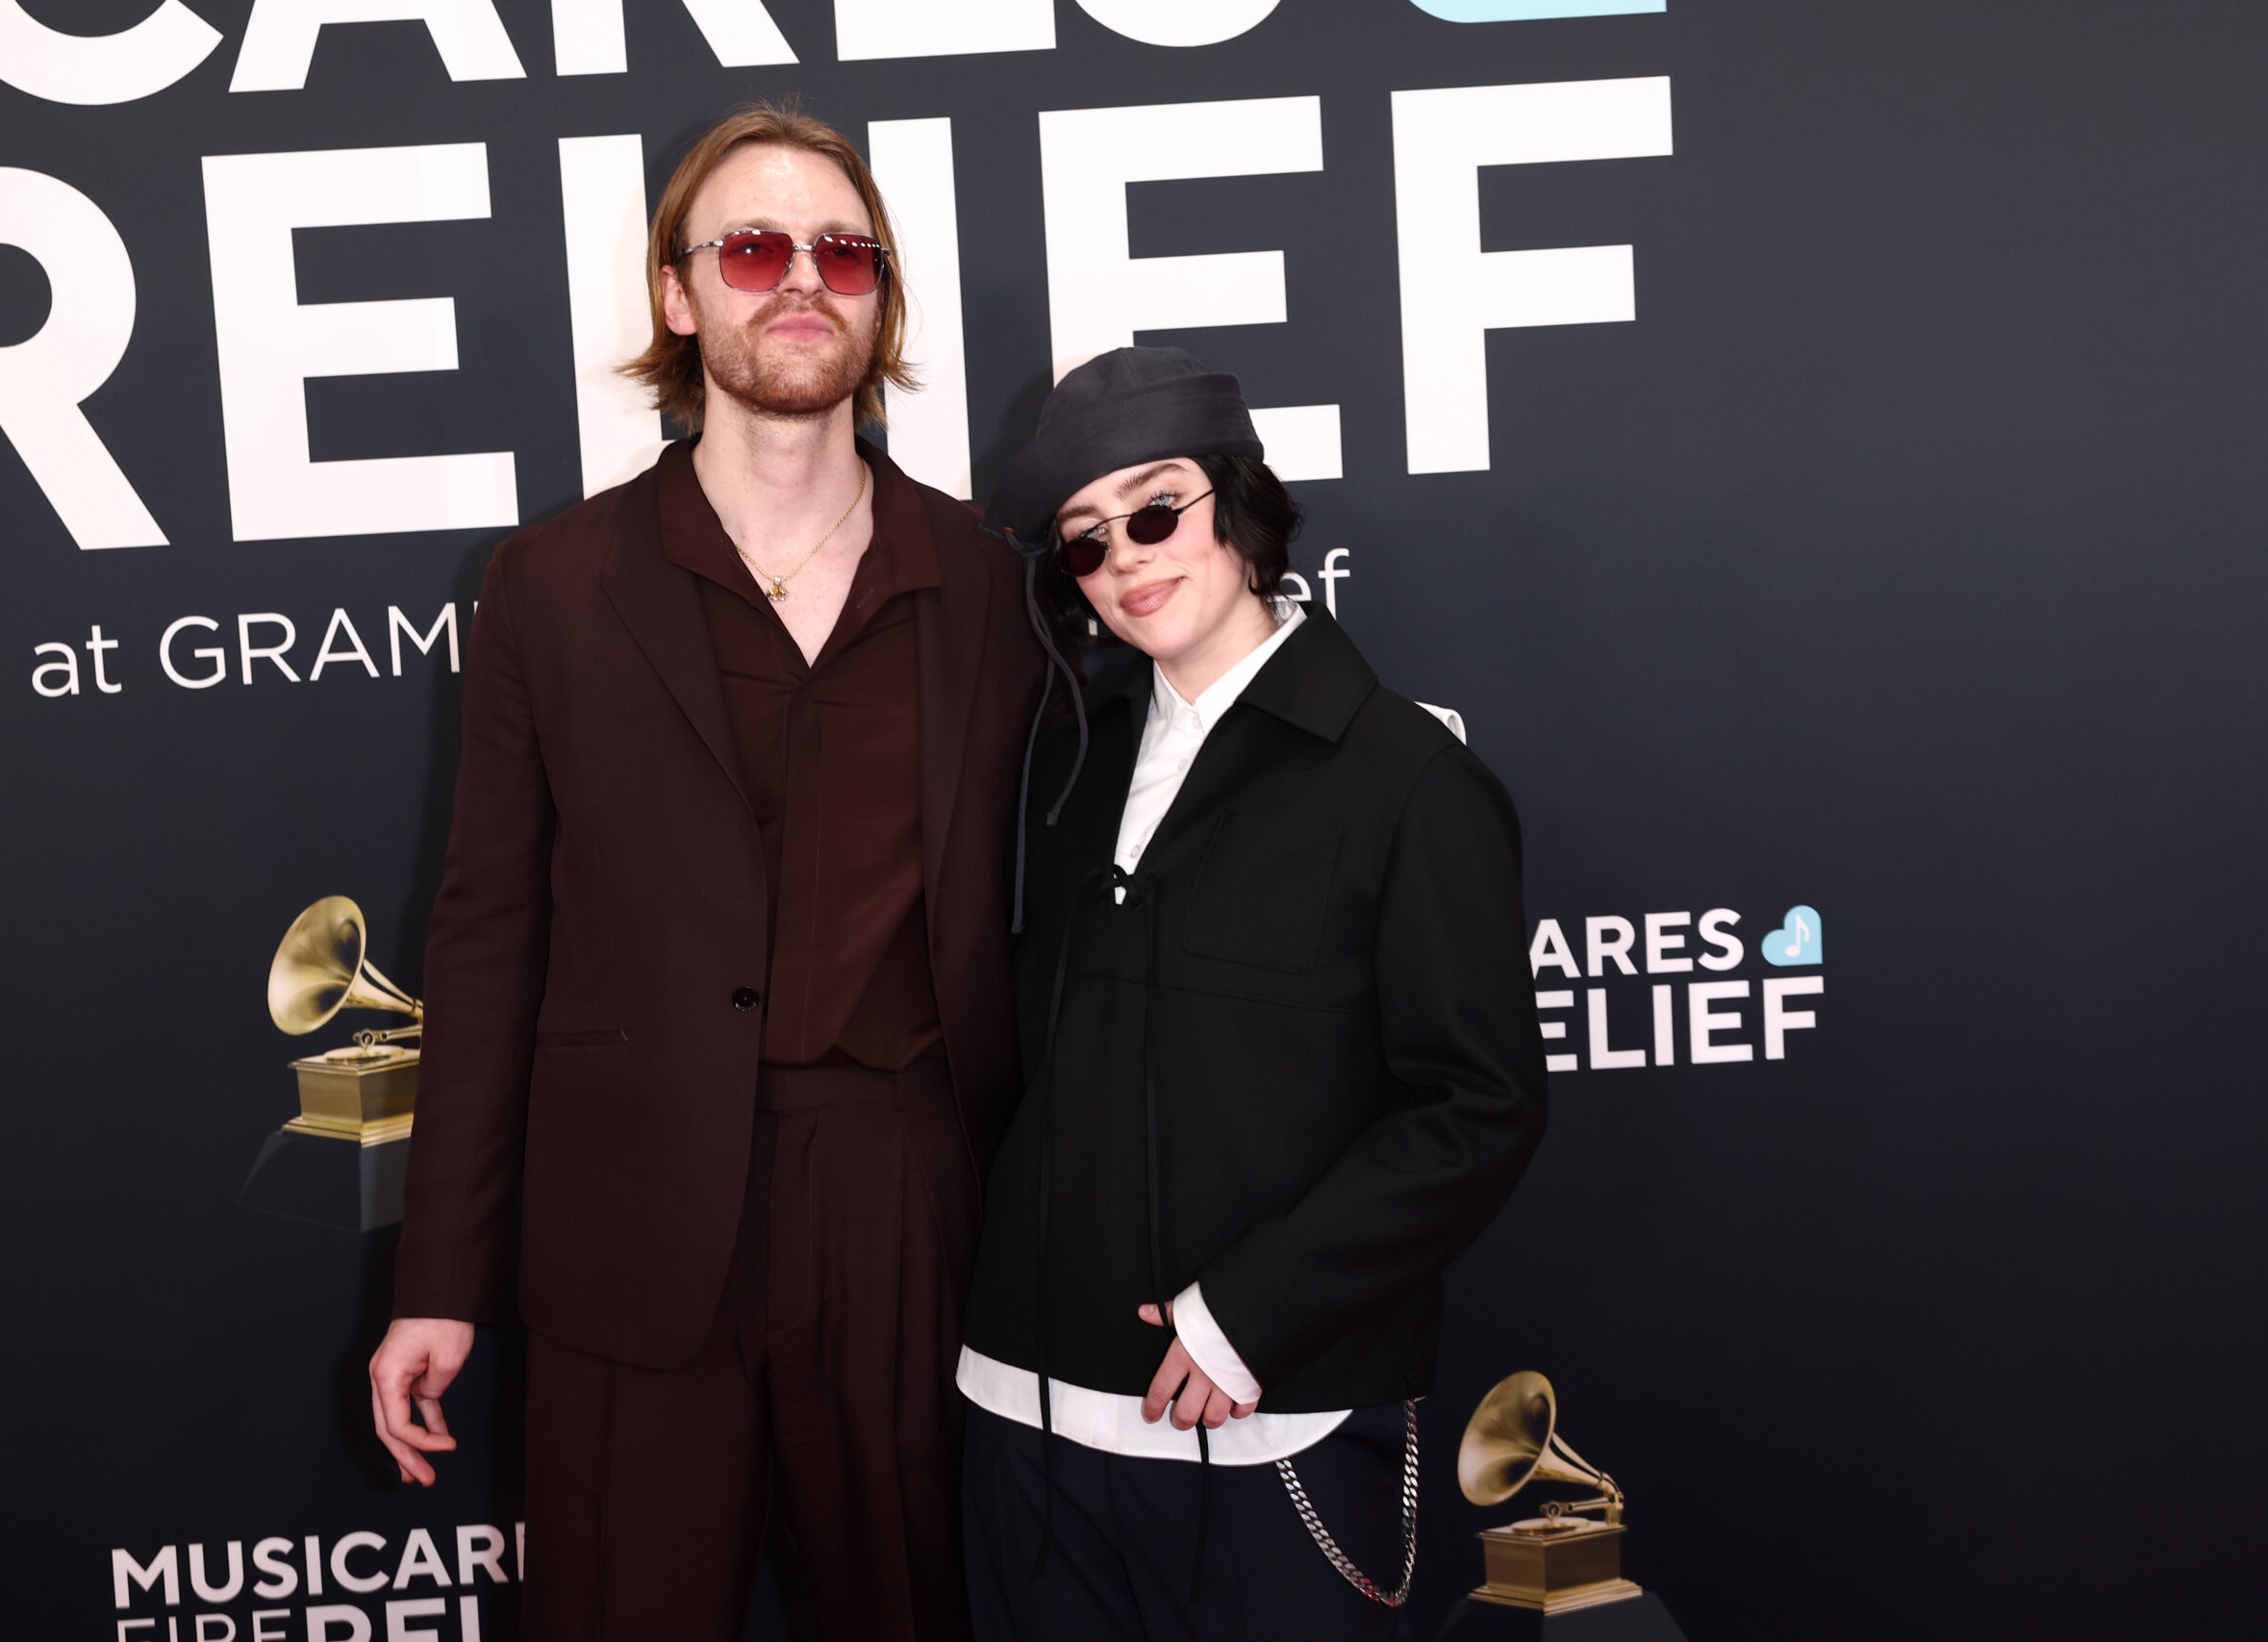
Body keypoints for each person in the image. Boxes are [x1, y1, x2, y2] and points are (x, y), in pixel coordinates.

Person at [365, 103, 1045, 1642]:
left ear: (879, 300)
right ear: (679, 295)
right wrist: (441, 1276)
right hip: (629, 1213)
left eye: (844, 252)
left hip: (908, 1210)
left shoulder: (991, 585)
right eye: (752, 246)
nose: (801, 280)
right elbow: (485, 945)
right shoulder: (553, 584)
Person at [956, 347, 1550, 1639]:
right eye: (1085, 542)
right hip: (1023, 1425)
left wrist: (1252, 1315)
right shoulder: (1062, 767)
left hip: (1267, 1423)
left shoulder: (1407, 782)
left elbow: (1478, 1106)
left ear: (1238, 506)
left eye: (1157, 510)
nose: (1128, 560)